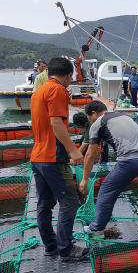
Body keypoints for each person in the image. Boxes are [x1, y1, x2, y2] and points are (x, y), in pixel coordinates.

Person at [30, 57, 91, 261]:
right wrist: (73, 151)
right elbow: (56, 123)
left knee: (45, 204)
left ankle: (51, 246)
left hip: (37, 157)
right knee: (70, 202)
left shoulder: (38, 91)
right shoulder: (58, 90)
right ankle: (66, 249)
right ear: (68, 76)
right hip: (53, 157)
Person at [80, 100, 138, 237]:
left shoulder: (98, 123)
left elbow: (90, 155)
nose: (91, 121)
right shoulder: (124, 116)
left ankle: (96, 229)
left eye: (90, 118)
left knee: (106, 191)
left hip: (130, 161)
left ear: (94, 113)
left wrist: (85, 179)